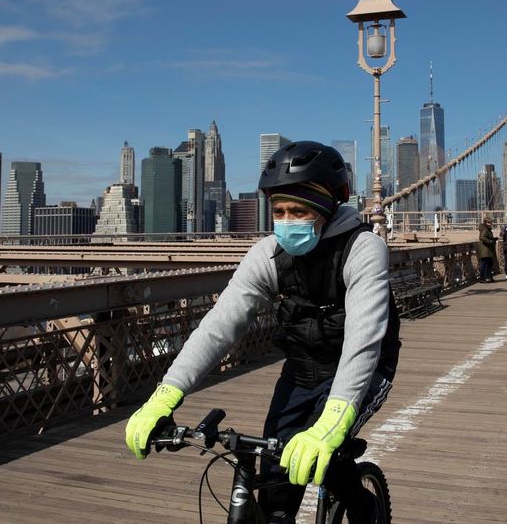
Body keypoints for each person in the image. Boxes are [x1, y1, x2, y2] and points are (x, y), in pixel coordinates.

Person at [124, 141, 400, 524]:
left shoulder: (362, 248)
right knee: (275, 479)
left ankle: (363, 504)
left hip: (365, 371)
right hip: (302, 368)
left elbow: (363, 341)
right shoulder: (268, 255)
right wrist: (164, 396)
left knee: (325, 453)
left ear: (327, 208)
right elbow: (219, 326)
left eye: (299, 210)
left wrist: (332, 422)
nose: (287, 221)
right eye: (280, 211)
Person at [477, 216, 496, 283]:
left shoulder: (487, 229)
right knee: (484, 264)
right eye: (489, 222)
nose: (490, 223)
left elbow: (487, 237)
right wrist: (490, 241)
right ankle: (483, 278)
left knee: (489, 263)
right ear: (485, 223)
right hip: (485, 249)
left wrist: (494, 239)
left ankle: (488, 277)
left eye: (491, 222)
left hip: (487, 249)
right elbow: (482, 237)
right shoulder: (485, 229)